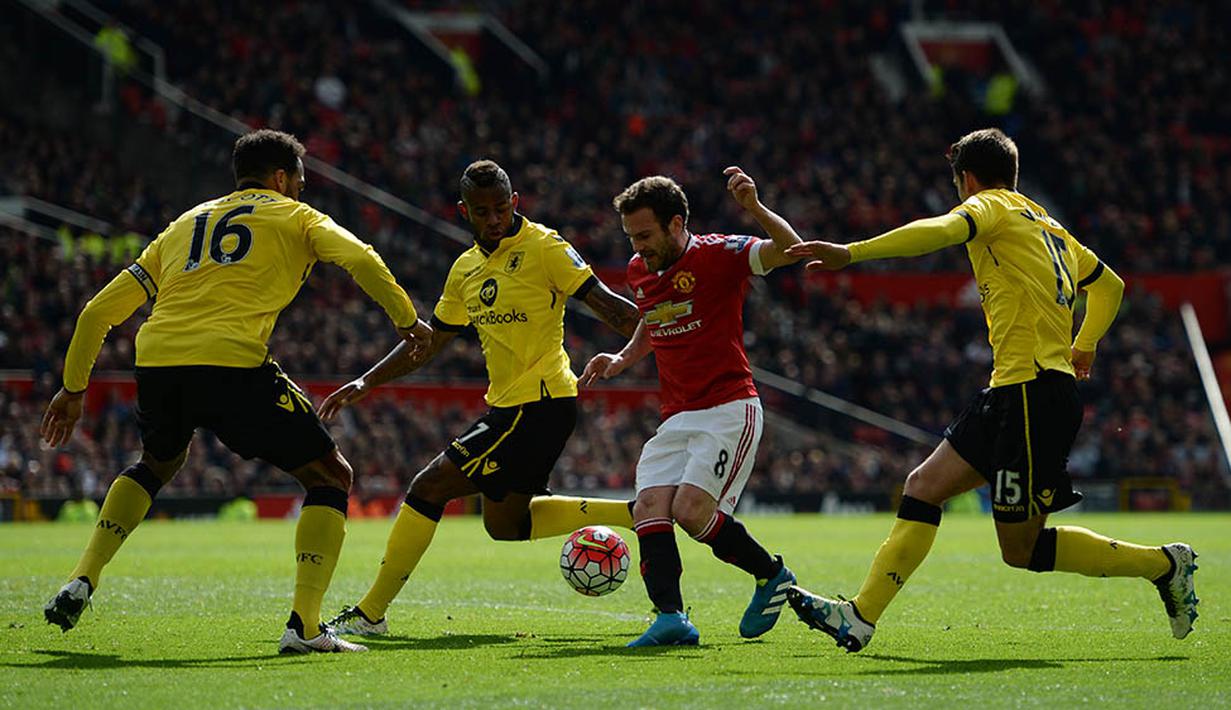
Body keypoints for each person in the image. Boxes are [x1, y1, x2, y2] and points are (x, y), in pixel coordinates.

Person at [784, 128, 1199, 652]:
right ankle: (860, 617)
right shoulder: (1048, 223)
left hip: (1036, 395)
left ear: (969, 178)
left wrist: (852, 252)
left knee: (1020, 550)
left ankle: (1164, 564)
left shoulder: (991, 207)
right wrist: (1085, 342)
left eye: (958, 182)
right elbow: (1110, 286)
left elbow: (941, 230)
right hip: (1012, 390)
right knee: (923, 485)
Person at [39, 129, 430, 654]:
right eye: (300, 181)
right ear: (280, 178)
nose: (301, 190)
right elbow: (362, 258)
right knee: (330, 475)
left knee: (155, 464)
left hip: (157, 361)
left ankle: (83, 577)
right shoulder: (297, 217)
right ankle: (306, 627)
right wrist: (407, 321)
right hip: (231, 363)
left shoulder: (183, 225)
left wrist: (71, 389)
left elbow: (96, 313)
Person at [320, 160, 643, 637]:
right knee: (505, 524)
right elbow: (428, 343)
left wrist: (664, 332)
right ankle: (638, 513)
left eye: (500, 208)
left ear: (515, 203)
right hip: (513, 407)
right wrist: (367, 381)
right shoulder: (465, 269)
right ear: (464, 211)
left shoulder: (544, 247)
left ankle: (370, 613)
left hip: (540, 403)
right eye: (481, 211)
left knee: (428, 486)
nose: (493, 219)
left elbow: (608, 306)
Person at [580, 168, 802, 646]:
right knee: (650, 508)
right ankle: (671, 619)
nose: (637, 247)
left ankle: (772, 575)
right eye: (630, 236)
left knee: (691, 510)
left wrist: (756, 209)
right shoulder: (641, 270)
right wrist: (622, 359)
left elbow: (790, 250)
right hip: (676, 414)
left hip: (728, 407)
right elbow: (651, 319)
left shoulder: (721, 254)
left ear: (676, 223)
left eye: (644, 234)